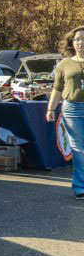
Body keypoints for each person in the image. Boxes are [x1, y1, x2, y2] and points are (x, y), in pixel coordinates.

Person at [46, 25, 84, 199]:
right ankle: (80, 188)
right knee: (78, 148)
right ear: (72, 42)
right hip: (72, 110)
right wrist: (50, 108)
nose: (80, 43)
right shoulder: (64, 63)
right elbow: (58, 88)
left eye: (83, 39)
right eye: (77, 39)